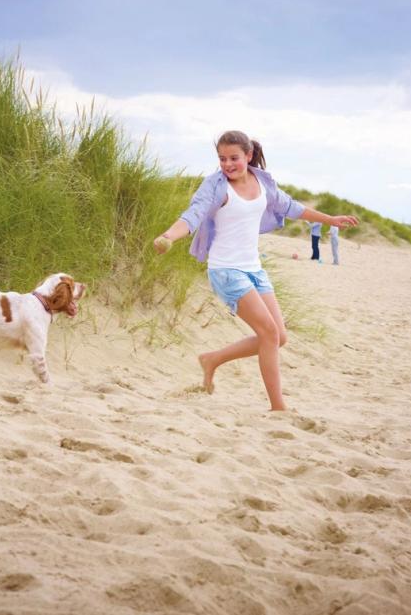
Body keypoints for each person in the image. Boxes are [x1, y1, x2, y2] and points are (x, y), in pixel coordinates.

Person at [152, 130, 359, 411]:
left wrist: (330, 219)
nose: (227, 164)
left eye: (234, 158)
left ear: (248, 156)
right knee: (269, 333)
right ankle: (278, 408)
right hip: (226, 270)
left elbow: (292, 208)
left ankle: (212, 359)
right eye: (222, 159)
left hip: (254, 269)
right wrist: (168, 236)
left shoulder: (263, 182)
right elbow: (194, 215)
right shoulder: (216, 186)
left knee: (278, 337)